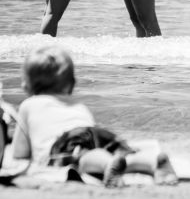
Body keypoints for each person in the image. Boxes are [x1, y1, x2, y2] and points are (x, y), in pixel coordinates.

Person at [11, 45, 177, 187]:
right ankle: (152, 162)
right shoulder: (79, 106)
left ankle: (107, 164)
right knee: (116, 155)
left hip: (65, 141)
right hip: (95, 133)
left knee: (84, 158)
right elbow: (90, 135)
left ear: (27, 85)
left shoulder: (28, 105)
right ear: (72, 83)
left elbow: (19, 153)